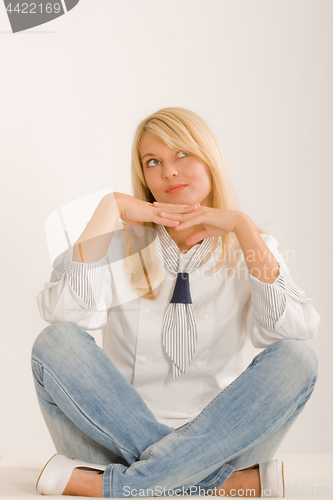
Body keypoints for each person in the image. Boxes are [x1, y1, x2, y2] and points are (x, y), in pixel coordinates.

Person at [32, 107, 320, 498]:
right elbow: (65, 314)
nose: (168, 172)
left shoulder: (252, 248)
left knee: (297, 359)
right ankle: (208, 485)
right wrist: (108, 210)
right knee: (55, 341)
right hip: (114, 442)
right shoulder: (115, 244)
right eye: (154, 162)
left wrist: (243, 226)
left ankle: (123, 487)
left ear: (209, 159)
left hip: (222, 443)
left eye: (182, 154)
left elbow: (295, 329)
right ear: (144, 176)